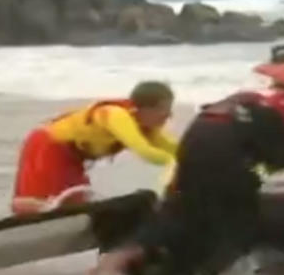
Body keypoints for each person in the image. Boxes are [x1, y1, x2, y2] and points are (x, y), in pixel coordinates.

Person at [77, 64, 284, 275]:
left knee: (180, 212)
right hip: (226, 148)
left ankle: (116, 261)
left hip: (197, 135)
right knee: (239, 221)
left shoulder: (247, 95)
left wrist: (176, 187)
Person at [11, 81, 177, 215]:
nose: (169, 115)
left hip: (72, 155)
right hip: (49, 144)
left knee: (75, 202)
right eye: (165, 109)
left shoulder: (146, 125)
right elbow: (145, 152)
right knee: (51, 203)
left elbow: (175, 149)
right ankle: (19, 205)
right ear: (146, 109)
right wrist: (171, 161)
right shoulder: (116, 116)